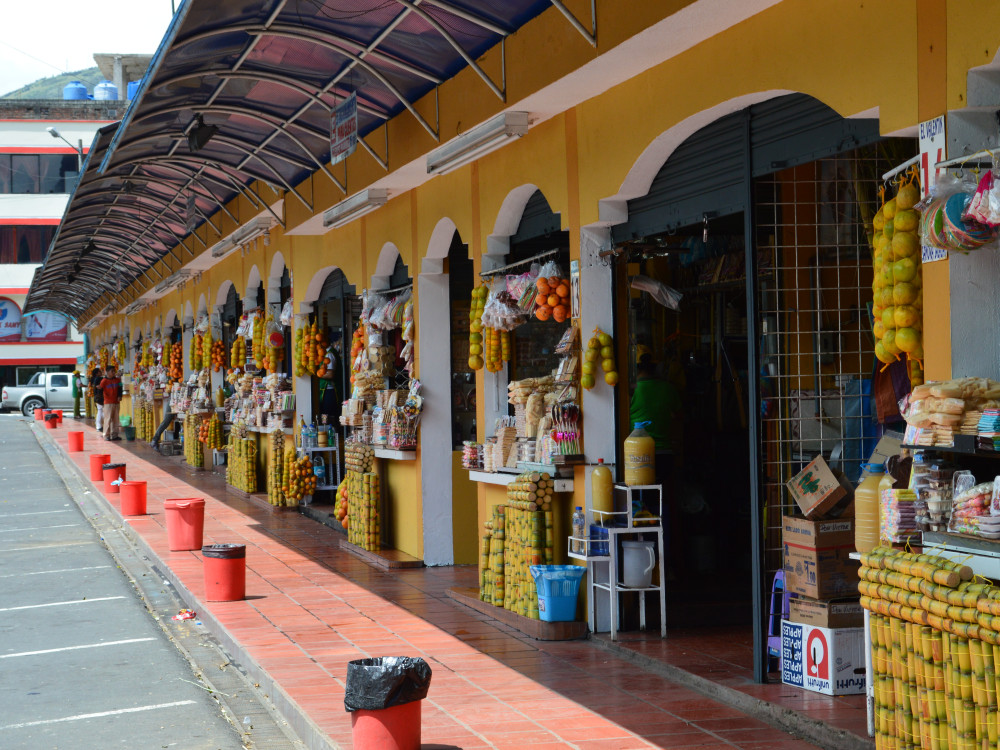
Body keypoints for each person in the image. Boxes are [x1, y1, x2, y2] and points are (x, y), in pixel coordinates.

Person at [629, 353, 681, 484]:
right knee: (662, 492)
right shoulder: (668, 388)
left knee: (640, 493)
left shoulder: (631, 391)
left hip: (636, 454)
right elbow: (679, 418)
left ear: (635, 369)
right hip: (664, 453)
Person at [99, 366, 123, 440]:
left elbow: (120, 388)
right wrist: (101, 401)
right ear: (107, 372)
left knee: (115, 419)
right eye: (112, 371)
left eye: (114, 371)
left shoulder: (118, 380)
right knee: (108, 419)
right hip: (108, 403)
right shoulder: (103, 381)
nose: (113, 372)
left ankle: (114, 435)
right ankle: (106, 435)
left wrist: (120, 396)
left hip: (116, 402)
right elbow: (100, 390)